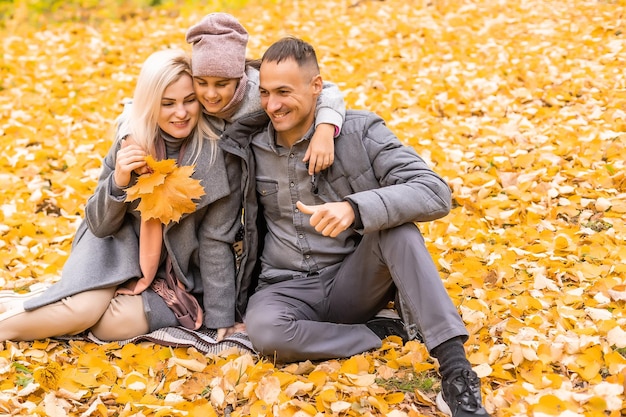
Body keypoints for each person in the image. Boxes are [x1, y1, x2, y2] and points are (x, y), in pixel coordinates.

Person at [219, 37, 492, 417]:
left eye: (284, 92)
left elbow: (434, 191)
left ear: (318, 87)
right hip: (283, 288)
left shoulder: (359, 132)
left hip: (353, 280)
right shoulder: (247, 144)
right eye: (264, 93)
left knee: (397, 231)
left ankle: (456, 371)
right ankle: (379, 334)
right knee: (265, 333)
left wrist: (355, 208)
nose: (272, 104)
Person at [0, 48, 243, 342]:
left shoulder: (217, 153)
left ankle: (43, 307)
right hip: (113, 250)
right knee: (82, 312)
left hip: (173, 277)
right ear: (150, 103)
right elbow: (99, 225)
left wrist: (221, 318)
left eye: (189, 100)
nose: (181, 113)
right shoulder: (132, 142)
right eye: (167, 104)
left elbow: (215, 240)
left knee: (110, 327)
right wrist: (118, 181)